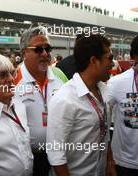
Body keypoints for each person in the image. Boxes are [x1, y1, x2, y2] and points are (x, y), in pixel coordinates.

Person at [46, 34, 115, 176]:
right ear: (94, 61)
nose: (113, 63)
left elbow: (104, 131)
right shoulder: (65, 99)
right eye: (109, 58)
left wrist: (109, 161)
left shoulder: (104, 90)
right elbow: (55, 152)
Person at [14, 26, 68, 176]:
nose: (45, 54)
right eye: (38, 49)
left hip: (59, 154)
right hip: (29, 157)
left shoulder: (59, 77)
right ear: (24, 53)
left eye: (48, 48)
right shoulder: (12, 81)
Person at [106, 35, 138, 176]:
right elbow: (101, 118)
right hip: (124, 163)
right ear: (134, 58)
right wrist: (109, 159)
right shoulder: (117, 83)